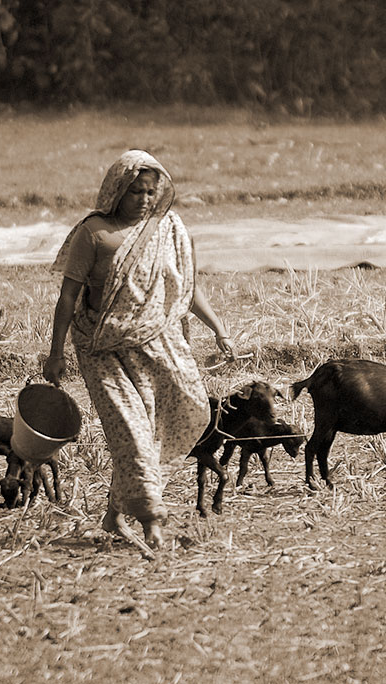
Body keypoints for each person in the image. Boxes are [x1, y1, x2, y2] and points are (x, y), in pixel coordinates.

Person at [43, 150, 234, 550]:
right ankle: (151, 520)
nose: (145, 200)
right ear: (116, 190)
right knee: (131, 434)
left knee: (149, 433)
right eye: (135, 192)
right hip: (101, 349)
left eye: (151, 192)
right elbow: (67, 299)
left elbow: (186, 288)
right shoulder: (94, 233)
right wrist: (56, 353)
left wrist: (218, 329)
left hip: (155, 346)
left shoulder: (169, 230)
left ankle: (114, 515)